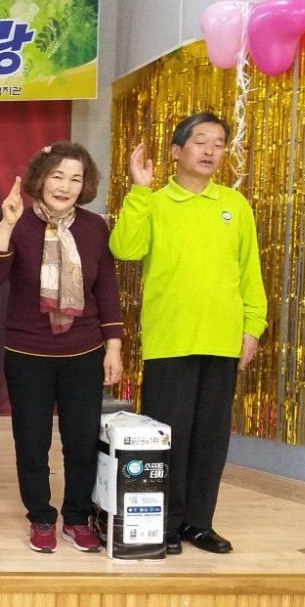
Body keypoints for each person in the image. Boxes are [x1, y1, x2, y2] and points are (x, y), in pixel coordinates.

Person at [110, 112, 267, 554]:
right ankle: (164, 522)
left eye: (218, 143)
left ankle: (199, 522)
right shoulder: (155, 201)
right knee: (169, 437)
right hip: (171, 340)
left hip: (222, 339)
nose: (211, 151)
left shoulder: (234, 206)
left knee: (210, 439)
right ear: (177, 151)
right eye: (200, 141)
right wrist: (139, 190)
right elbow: (125, 249)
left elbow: (250, 273)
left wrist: (252, 327)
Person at [0, 142, 123, 554]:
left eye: (75, 178)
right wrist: (5, 225)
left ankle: (76, 518)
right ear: (40, 179)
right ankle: (40, 516)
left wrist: (113, 347)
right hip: (28, 353)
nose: (65, 186)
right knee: (31, 442)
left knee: (81, 442)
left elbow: (106, 290)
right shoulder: (19, 222)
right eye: (57, 176)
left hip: (84, 351)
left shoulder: (94, 227)